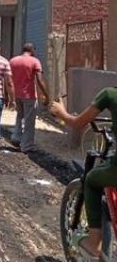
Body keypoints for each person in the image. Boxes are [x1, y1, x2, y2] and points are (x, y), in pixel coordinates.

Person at [51, 87, 117, 259]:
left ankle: (93, 243)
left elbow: (77, 123)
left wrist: (61, 112)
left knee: (91, 180)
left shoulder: (110, 94)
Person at [9, 43, 49, 153]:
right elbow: (40, 80)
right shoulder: (34, 61)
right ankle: (26, 146)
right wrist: (46, 94)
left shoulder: (13, 61)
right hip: (29, 95)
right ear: (32, 50)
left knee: (19, 116)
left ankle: (16, 137)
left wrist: (8, 95)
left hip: (16, 94)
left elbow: (8, 79)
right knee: (29, 121)